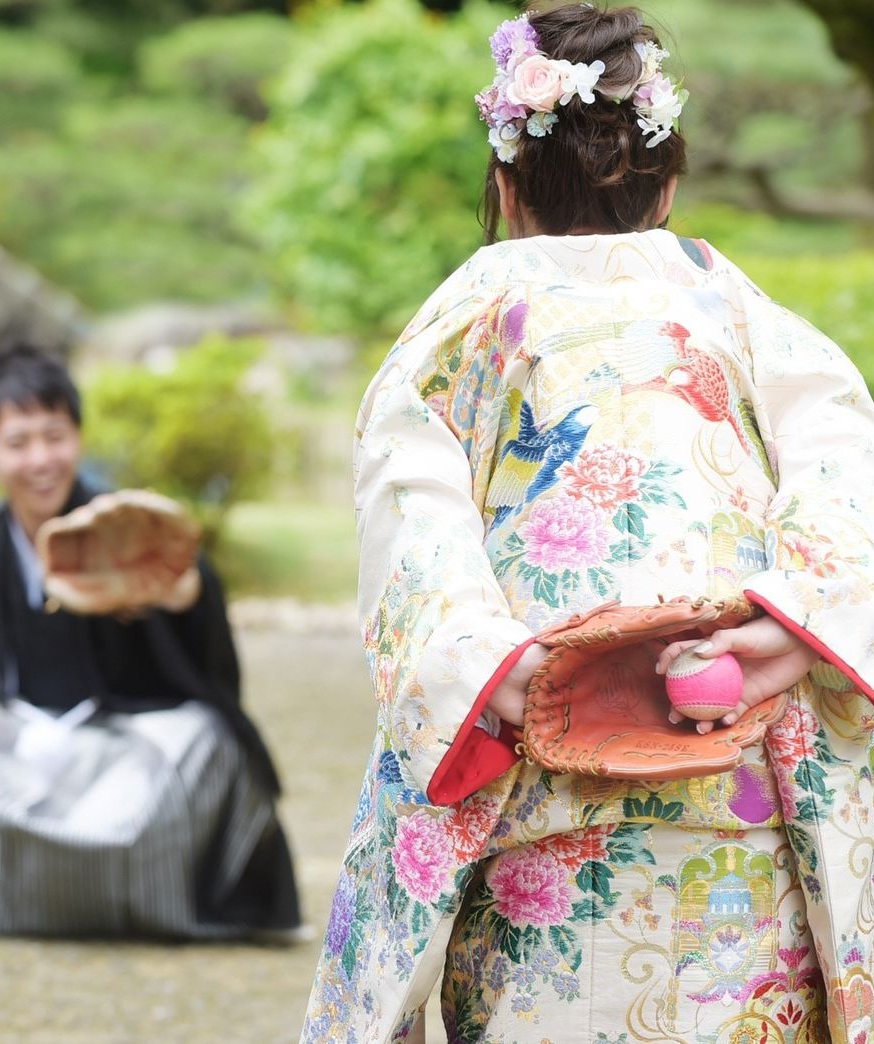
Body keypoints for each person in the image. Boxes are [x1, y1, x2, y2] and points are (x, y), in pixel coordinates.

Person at [302, 5, 874, 1042]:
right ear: (666, 182)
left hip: (539, 788)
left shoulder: (457, 328)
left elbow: (413, 525)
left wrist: (497, 672)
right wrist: (791, 628)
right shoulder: (742, 314)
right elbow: (846, 469)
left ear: (506, 186)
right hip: (742, 773)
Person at [0, 344, 301, 939]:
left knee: (206, 738)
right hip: (11, 747)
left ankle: (87, 885)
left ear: (78, 438)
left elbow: (200, 656)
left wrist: (179, 593)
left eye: (55, 437)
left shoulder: (121, 526)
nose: (41, 459)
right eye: (18, 442)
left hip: (116, 754)